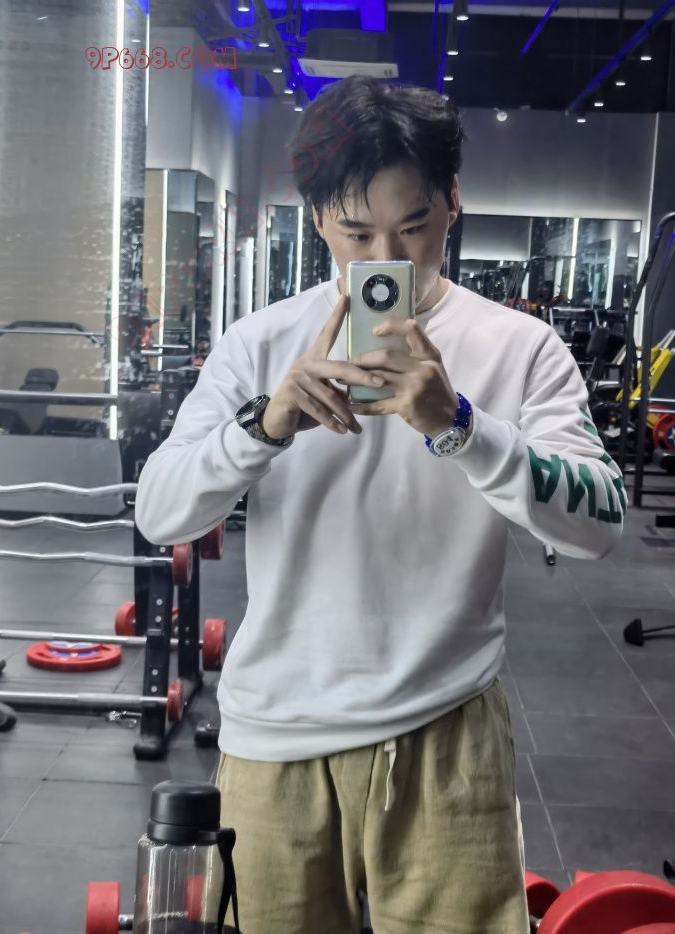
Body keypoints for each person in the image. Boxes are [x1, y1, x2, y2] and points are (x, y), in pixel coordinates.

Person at [134, 75, 626, 934]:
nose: (387, 259)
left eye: (415, 225)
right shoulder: (260, 344)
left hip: (447, 728)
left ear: (454, 202)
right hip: (277, 732)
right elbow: (160, 511)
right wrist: (266, 424)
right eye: (358, 232)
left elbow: (599, 522)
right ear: (318, 217)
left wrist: (462, 426)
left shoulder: (521, 347)